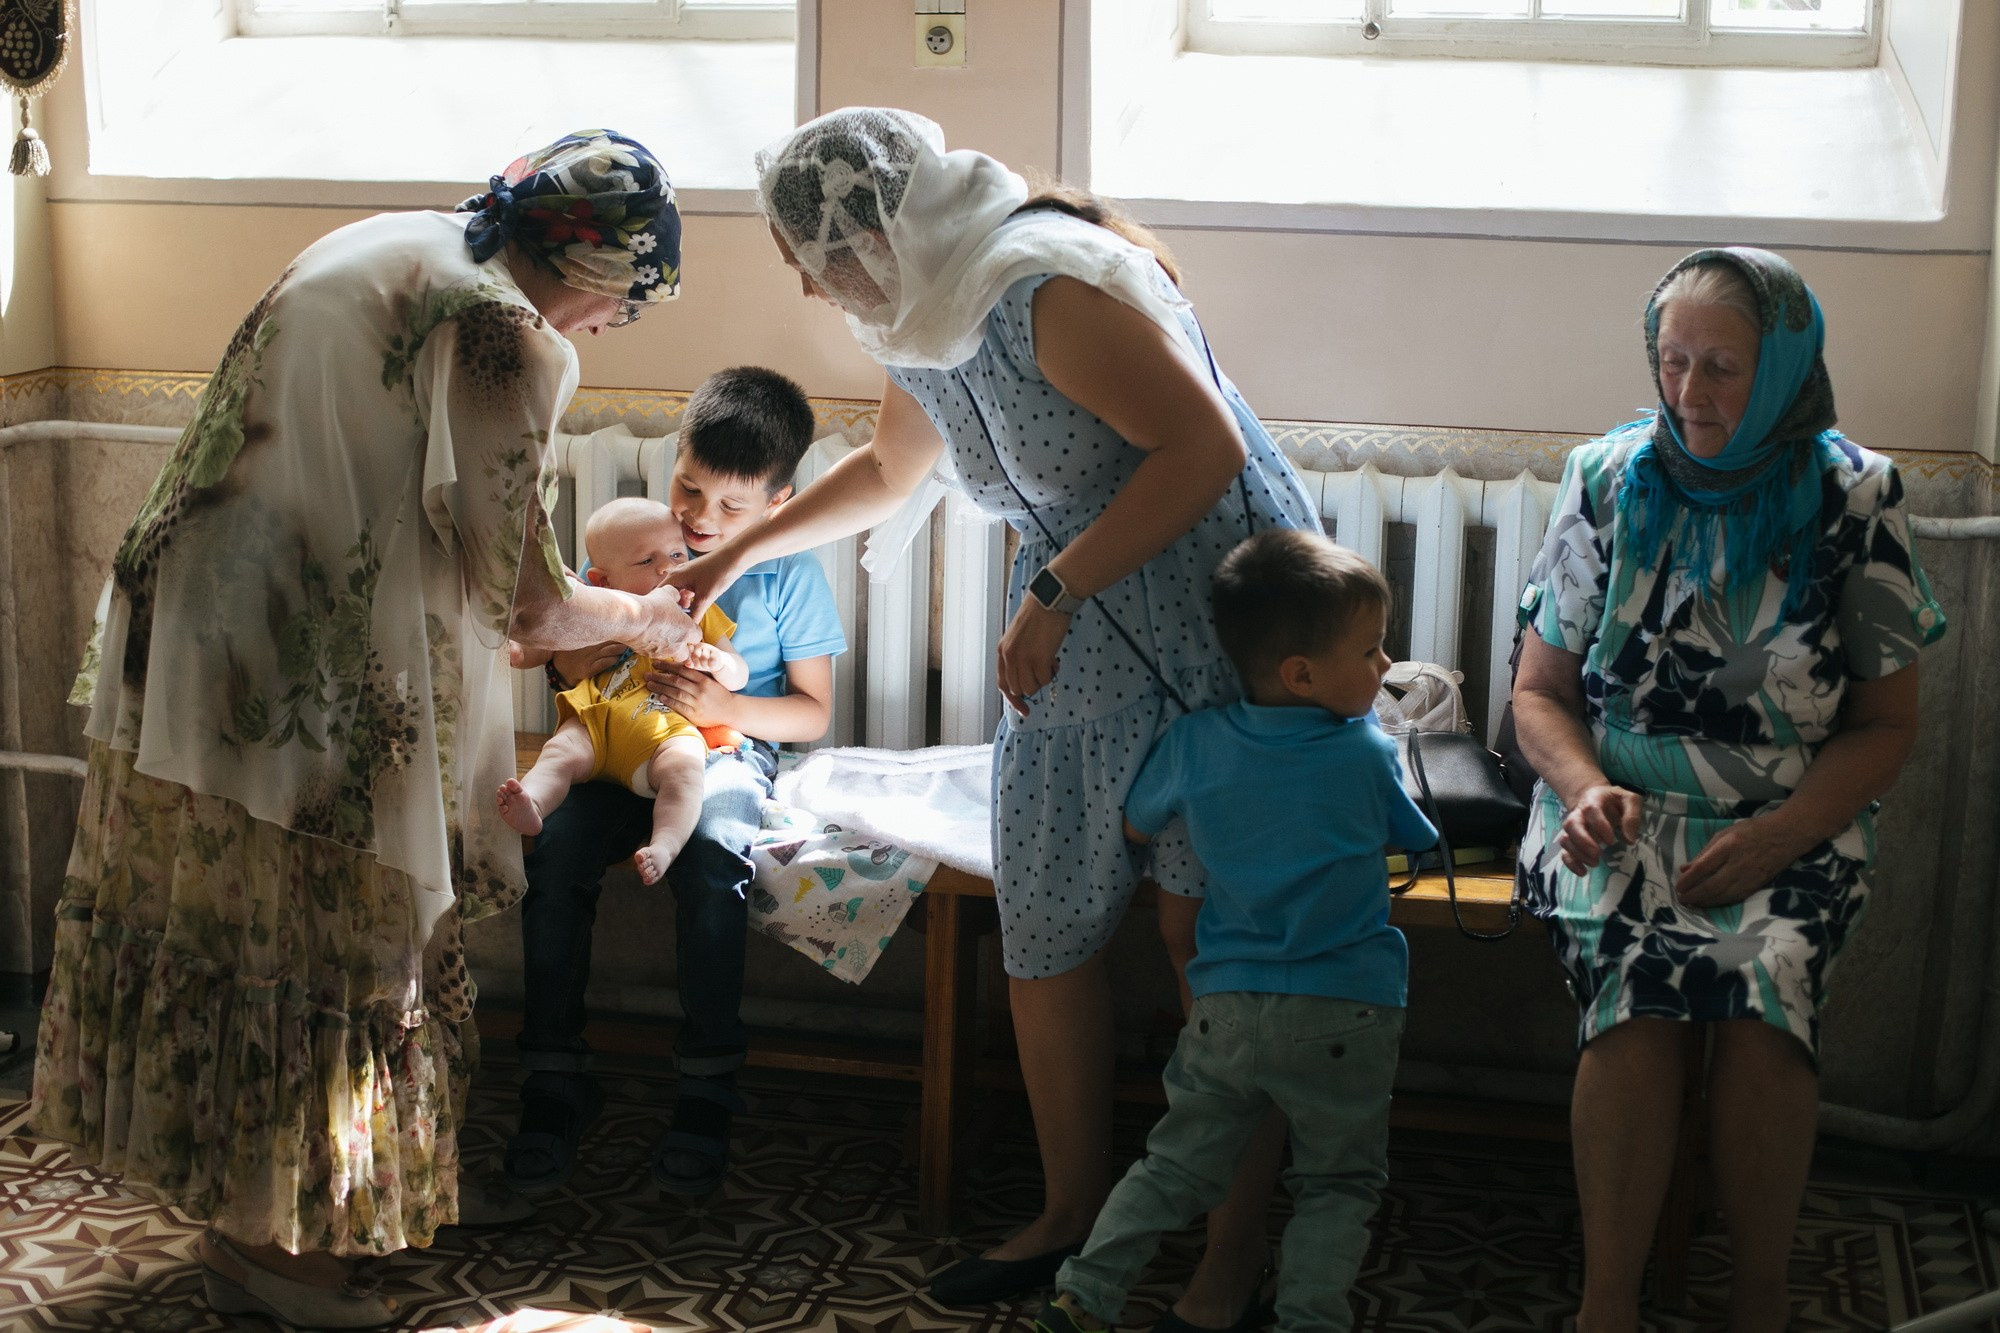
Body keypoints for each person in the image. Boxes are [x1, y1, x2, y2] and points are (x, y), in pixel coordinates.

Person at [30, 130, 696, 1330]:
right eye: (624, 308)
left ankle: (255, 1235)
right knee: (331, 948)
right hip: (296, 666)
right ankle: (300, 1257)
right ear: (599, 273)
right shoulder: (509, 333)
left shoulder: (401, 239)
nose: (606, 332)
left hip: (184, 620)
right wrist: (649, 618)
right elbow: (533, 599)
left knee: (233, 930)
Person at [672, 107, 1320, 1326]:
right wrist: (729, 558)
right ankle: (1070, 1206)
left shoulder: (1042, 287)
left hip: (1204, 610)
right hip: (1073, 625)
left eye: (814, 256)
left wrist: (1056, 589)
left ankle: (1232, 1248)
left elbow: (1202, 448)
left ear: (878, 226)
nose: (809, 288)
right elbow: (885, 470)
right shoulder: (921, 307)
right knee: (1047, 912)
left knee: (1207, 939)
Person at [1510, 247, 1943, 1333]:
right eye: (1670, 363)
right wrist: (1584, 790)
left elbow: (1884, 725)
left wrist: (1779, 835)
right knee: (1631, 1007)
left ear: (1784, 366)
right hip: (1611, 809)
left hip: (1791, 822)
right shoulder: (1606, 478)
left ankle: (1758, 1300)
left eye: (1720, 368)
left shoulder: (1854, 495)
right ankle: (1604, 1307)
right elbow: (1537, 694)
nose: (1687, 396)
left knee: (1763, 1001)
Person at [1031, 529, 1434, 1333]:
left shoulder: (1194, 742)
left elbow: (1140, 823)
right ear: (1302, 674)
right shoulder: (1367, 752)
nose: (1386, 665)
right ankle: (1310, 1319)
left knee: (1174, 1164)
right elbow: (1415, 837)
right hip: (1347, 1008)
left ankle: (1087, 1292)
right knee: (1337, 1184)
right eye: (1371, 650)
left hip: (1228, 1008)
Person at [505, 365, 844, 1199]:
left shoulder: (788, 572)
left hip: (720, 749)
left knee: (713, 857)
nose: (699, 522)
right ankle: (553, 1078)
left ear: (777, 503)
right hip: (610, 740)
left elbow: (811, 713)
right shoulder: (635, 547)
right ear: (675, 462)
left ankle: (705, 1089)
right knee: (551, 855)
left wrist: (725, 699)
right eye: (690, 490)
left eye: (732, 508)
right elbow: (551, 646)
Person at [501, 498, 745, 884]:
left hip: (662, 731)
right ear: (602, 582)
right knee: (559, 753)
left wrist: (717, 663)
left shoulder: (696, 610)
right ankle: (532, 802)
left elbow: (739, 672)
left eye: (677, 554)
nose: (668, 568)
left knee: (684, 771)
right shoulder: (598, 610)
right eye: (646, 562)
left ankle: (665, 844)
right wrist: (514, 650)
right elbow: (537, 645)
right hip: (593, 722)